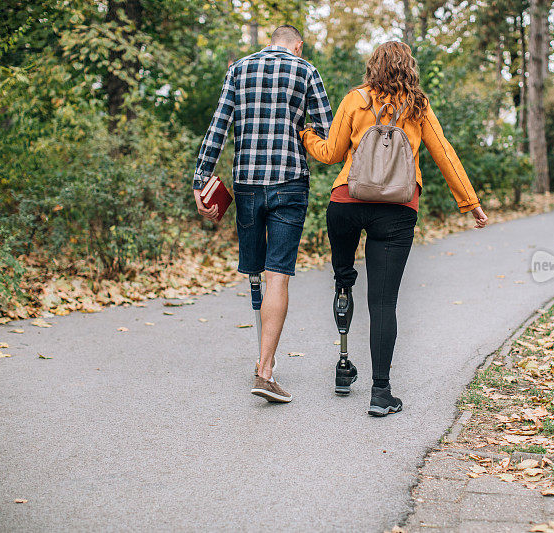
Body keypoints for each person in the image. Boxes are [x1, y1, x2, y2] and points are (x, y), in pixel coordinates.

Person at [301, 41, 488, 417]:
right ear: (409, 68)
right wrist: (470, 202)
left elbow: (332, 154)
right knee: (383, 303)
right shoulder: (418, 106)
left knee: (345, 279)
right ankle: (380, 393)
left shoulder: (355, 99)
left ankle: (343, 363)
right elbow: (444, 153)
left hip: (346, 205)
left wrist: (307, 133)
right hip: (397, 211)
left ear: (373, 66)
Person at [192, 25, 333, 403]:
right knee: (279, 276)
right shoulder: (306, 71)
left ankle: (261, 356)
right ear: (297, 46)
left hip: (248, 184)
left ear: (271, 41)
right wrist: (302, 134)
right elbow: (329, 131)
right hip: (290, 182)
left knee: (254, 270)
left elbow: (218, 126)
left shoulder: (238, 70)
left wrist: (200, 179)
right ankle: (265, 369)